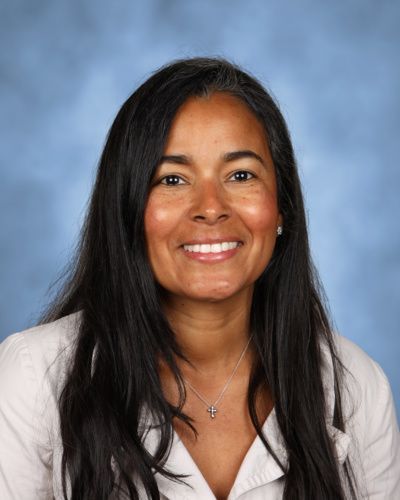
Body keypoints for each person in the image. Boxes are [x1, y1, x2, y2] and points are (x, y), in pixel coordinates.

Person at [0, 57, 399, 500]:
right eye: (173, 179)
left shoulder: (356, 387)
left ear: (281, 208)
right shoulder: (34, 378)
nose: (210, 207)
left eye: (241, 175)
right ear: (128, 209)